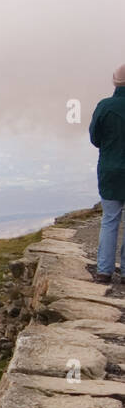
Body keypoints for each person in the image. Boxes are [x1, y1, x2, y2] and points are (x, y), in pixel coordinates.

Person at [88, 64, 125, 284]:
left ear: (115, 82)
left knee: (110, 220)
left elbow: (95, 138)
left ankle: (104, 271)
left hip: (110, 171)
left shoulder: (105, 106)